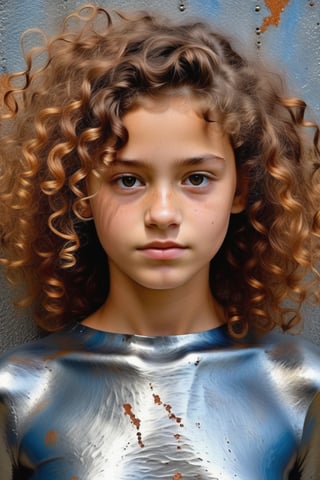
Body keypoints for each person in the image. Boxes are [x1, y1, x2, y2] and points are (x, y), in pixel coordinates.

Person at [0, 4, 320, 479]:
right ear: (81, 193)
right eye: (128, 180)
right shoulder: (20, 390)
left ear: (242, 189)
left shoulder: (298, 385)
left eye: (196, 177)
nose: (164, 214)